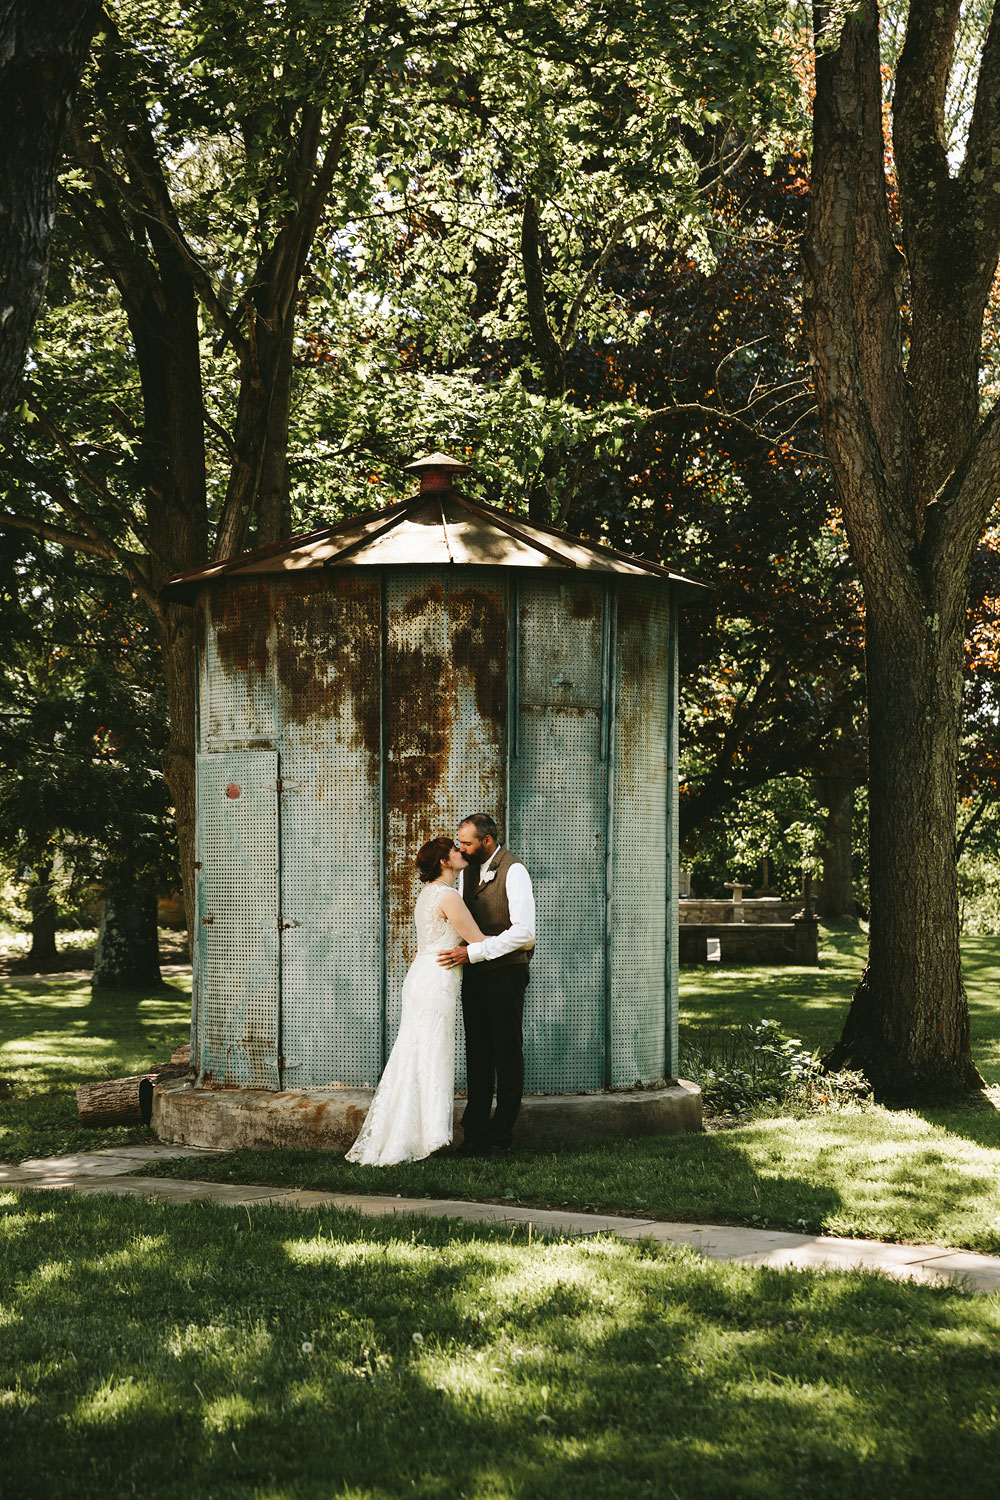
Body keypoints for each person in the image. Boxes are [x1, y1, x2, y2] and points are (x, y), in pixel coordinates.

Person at [346, 836, 486, 1166]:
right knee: (431, 1052)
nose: (460, 852)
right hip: (437, 978)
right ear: (444, 861)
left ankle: (409, 1134)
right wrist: (516, 940)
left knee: (414, 1053)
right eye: (455, 849)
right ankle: (425, 1136)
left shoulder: (427, 894)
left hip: (422, 974)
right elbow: (477, 940)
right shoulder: (448, 896)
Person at [438, 813, 535, 1157]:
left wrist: (476, 952)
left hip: (506, 974)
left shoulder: (514, 870)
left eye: (466, 842)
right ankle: (475, 1134)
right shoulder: (466, 872)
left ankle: (500, 1137)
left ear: (488, 842)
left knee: (506, 1053)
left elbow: (524, 933)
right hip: (475, 975)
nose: (460, 847)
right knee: (478, 1054)